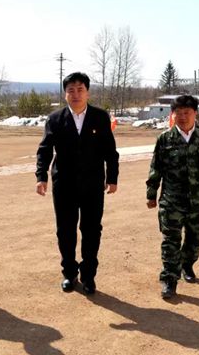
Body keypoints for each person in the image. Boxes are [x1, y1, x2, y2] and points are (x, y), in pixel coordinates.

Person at [35, 71, 119, 295]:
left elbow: (110, 151)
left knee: (92, 230)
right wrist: (41, 177)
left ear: (87, 92)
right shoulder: (55, 119)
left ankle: (89, 276)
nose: (75, 94)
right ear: (65, 94)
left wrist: (112, 178)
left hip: (93, 185)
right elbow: (44, 150)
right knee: (65, 230)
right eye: (70, 90)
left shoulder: (100, 117)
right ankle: (69, 273)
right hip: (64, 184)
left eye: (80, 89)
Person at [146, 95, 199, 299]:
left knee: (196, 240)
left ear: (195, 113)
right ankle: (169, 279)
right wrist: (151, 194)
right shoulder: (165, 139)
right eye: (178, 113)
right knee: (170, 242)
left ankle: (187, 264)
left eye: (187, 112)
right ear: (172, 115)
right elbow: (156, 168)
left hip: (198, 202)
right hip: (171, 201)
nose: (182, 117)